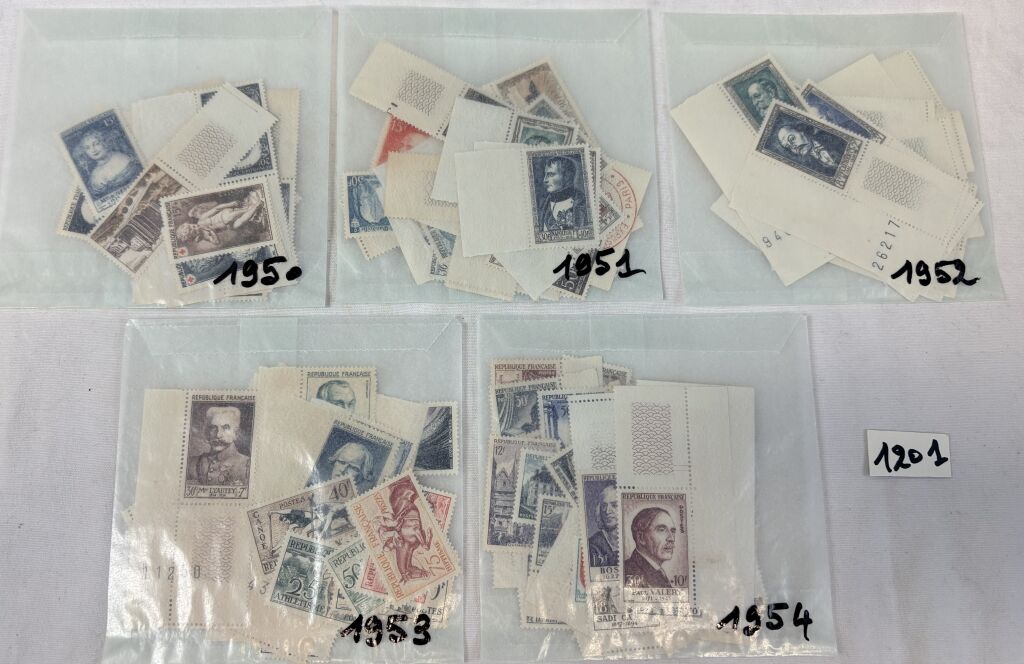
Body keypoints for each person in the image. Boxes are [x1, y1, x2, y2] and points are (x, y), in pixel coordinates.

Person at [188, 406, 250, 485]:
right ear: (207, 433)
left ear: (236, 434)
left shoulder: (246, 464)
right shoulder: (192, 463)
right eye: (213, 428)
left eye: (225, 428)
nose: (218, 435)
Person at [76, 129, 141, 197]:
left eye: (96, 144)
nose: (93, 150)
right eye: (87, 148)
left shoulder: (120, 157)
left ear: (105, 142)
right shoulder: (95, 175)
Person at [622, 507, 677, 588]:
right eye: (662, 530)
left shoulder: (658, 571)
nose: (671, 538)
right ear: (641, 538)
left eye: (672, 531)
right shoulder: (628, 571)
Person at [537, 156, 589, 233]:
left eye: (551, 174)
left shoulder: (584, 203)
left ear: (567, 176)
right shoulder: (543, 205)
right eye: (545, 174)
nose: (545, 180)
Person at [587, 484, 619, 567]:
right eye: (604, 506)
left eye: (614, 505)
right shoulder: (593, 545)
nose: (607, 511)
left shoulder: (633, 542)